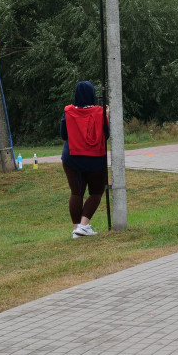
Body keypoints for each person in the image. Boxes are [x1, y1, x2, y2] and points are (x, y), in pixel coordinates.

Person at [61, 81, 109, 239]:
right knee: (96, 192)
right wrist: (106, 116)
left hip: (72, 157)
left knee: (76, 193)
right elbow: (106, 135)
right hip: (95, 158)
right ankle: (83, 225)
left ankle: (77, 229)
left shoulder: (68, 112)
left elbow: (63, 135)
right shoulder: (99, 112)